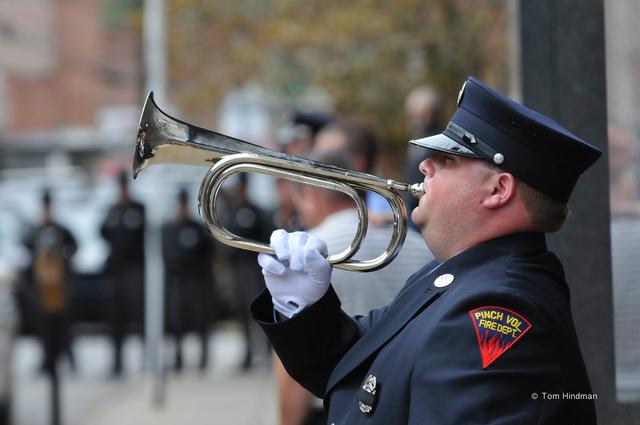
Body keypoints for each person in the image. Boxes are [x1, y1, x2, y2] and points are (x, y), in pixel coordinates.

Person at [251, 76, 601, 424]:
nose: (424, 165)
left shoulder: (496, 306)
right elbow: (357, 361)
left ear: (498, 190)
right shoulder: (454, 275)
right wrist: (301, 307)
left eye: (448, 160)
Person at [274, 150, 433, 425]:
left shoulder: (301, 256)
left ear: (310, 196)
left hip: (331, 409)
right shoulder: (424, 248)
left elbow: (292, 374)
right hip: (412, 408)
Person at [23, 190, 77, 373]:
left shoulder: (61, 230)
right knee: (44, 328)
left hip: (60, 287)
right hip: (43, 288)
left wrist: (63, 259)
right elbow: (27, 249)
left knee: (63, 327)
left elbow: (74, 247)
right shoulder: (35, 231)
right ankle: (47, 360)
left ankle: (69, 360)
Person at [162, 189, 217, 371]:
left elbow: (210, 251)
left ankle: (203, 358)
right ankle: (178, 358)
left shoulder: (197, 227)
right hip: (179, 282)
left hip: (197, 281)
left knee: (200, 320)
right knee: (177, 321)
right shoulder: (171, 228)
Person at [100, 170, 146, 376]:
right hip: (117, 271)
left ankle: (145, 359)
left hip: (134, 271)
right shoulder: (112, 211)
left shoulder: (138, 209)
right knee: (116, 319)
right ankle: (117, 362)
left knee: (138, 316)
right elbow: (103, 232)